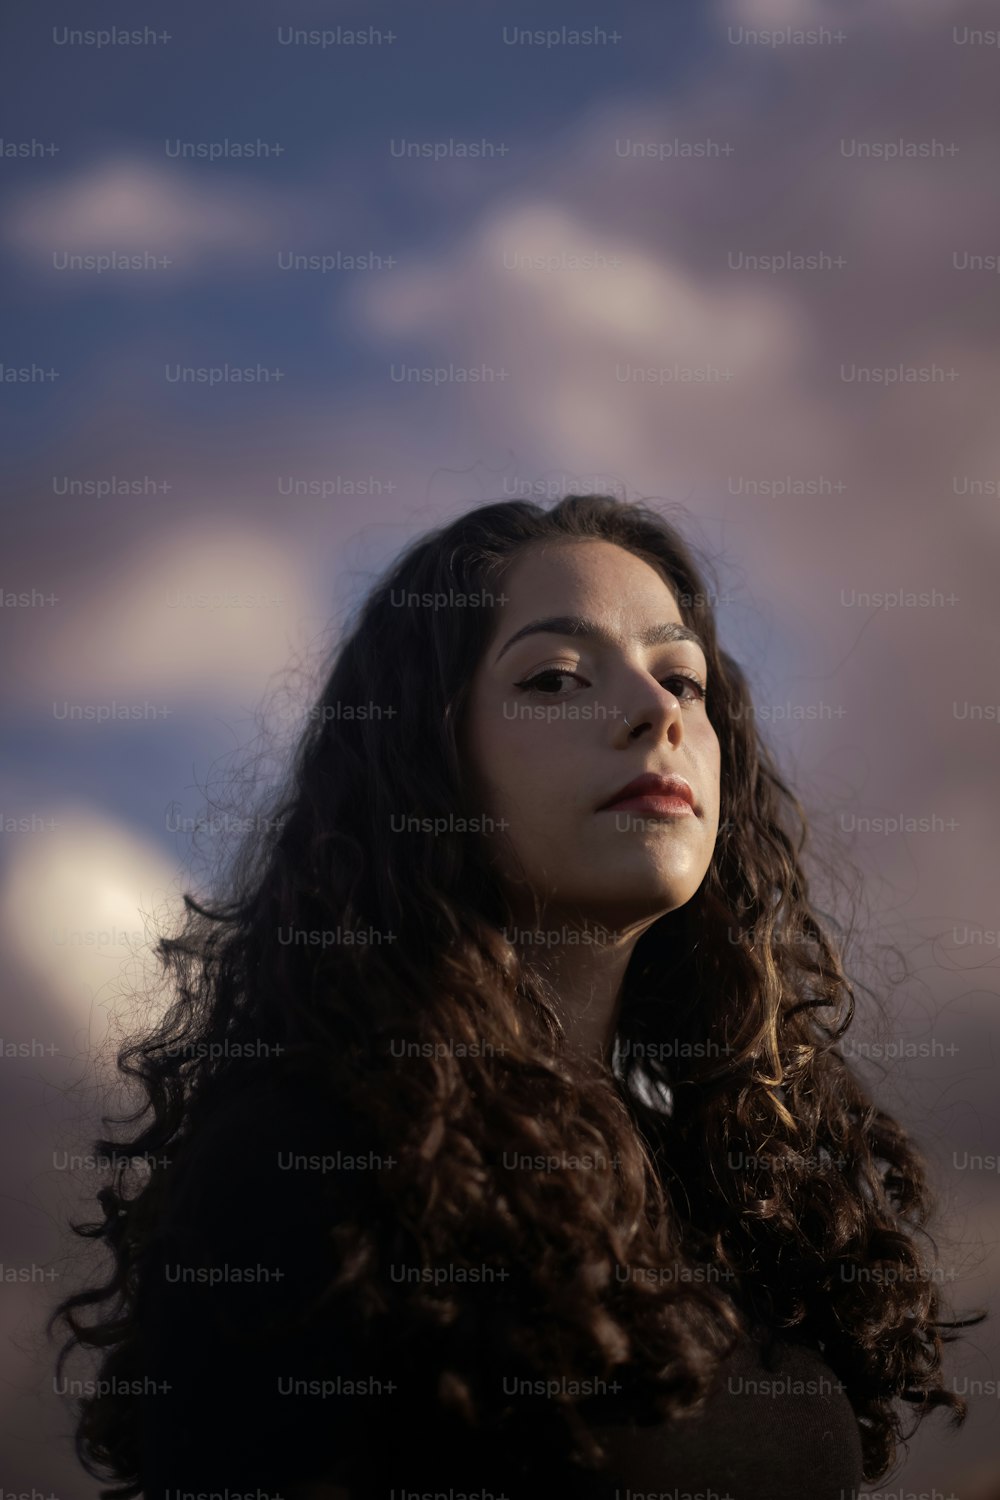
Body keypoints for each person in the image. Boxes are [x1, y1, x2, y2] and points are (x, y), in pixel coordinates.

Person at [49, 493, 983, 1499]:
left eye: (683, 679)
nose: (656, 713)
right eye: (555, 678)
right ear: (429, 764)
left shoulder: (737, 1181)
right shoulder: (309, 1166)